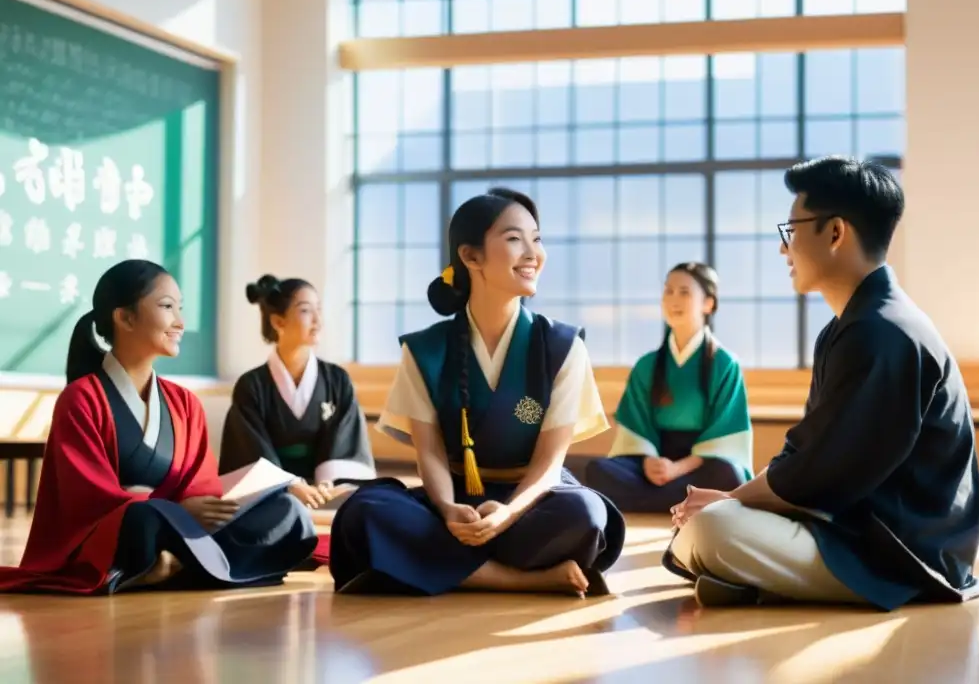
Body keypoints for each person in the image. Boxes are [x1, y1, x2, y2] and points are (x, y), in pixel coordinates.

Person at [664, 156, 979, 610]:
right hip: (850, 526)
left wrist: (730, 500)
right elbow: (806, 457)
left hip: (899, 553)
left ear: (834, 233)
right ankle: (749, 577)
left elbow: (819, 476)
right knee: (712, 523)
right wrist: (734, 501)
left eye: (791, 231)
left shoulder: (883, 330)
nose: (783, 250)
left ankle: (746, 575)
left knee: (714, 528)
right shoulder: (852, 326)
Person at [329, 187, 626, 597]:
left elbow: (549, 465)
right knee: (365, 511)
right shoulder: (425, 349)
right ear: (471, 257)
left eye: (536, 239)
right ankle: (522, 579)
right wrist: (449, 509)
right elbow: (429, 452)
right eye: (513, 239)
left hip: (531, 501)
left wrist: (507, 513)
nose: (532, 253)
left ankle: (438, 566)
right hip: (452, 502)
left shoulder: (561, 346)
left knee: (585, 514)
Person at [0, 260, 318, 595]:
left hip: (182, 530)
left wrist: (201, 507)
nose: (180, 323)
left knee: (288, 513)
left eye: (180, 309)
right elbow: (87, 500)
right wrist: (175, 511)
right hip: (129, 529)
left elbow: (200, 487)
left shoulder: (184, 403)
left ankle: (169, 566)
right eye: (167, 307)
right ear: (124, 317)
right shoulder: (80, 399)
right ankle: (182, 565)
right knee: (144, 522)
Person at [585, 262, 753, 512]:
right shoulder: (647, 365)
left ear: (708, 303)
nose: (673, 299)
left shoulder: (725, 364)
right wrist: (649, 462)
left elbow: (725, 436)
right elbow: (636, 426)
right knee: (597, 470)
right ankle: (688, 501)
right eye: (668, 291)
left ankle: (657, 500)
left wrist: (678, 468)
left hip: (700, 466)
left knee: (728, 475)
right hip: (653, 463)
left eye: (684, 292)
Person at [219, 275, 376, 509]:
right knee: (283, 511)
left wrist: (329, 484)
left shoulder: (337, 380)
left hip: (326, 493)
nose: (318, 320)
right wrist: (289, 484)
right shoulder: (252, 385)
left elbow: (346, 445)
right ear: (278, 322)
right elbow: (247, 452)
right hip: (272, 494)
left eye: (318, 309)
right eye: (305, 311)